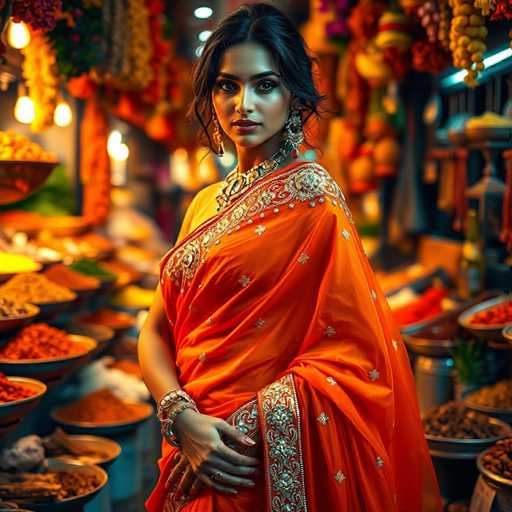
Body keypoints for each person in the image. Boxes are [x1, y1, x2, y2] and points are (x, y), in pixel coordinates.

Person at [139, 4, 442, 511]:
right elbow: (154, 331)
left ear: (293, 95)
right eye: (227, 86)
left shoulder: (314, 202)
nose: (244, 105)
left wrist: (243, 426)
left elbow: (355, 359)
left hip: (253, 465)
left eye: (264, 85)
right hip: (190, 446)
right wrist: (180, 416)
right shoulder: (202, 203)